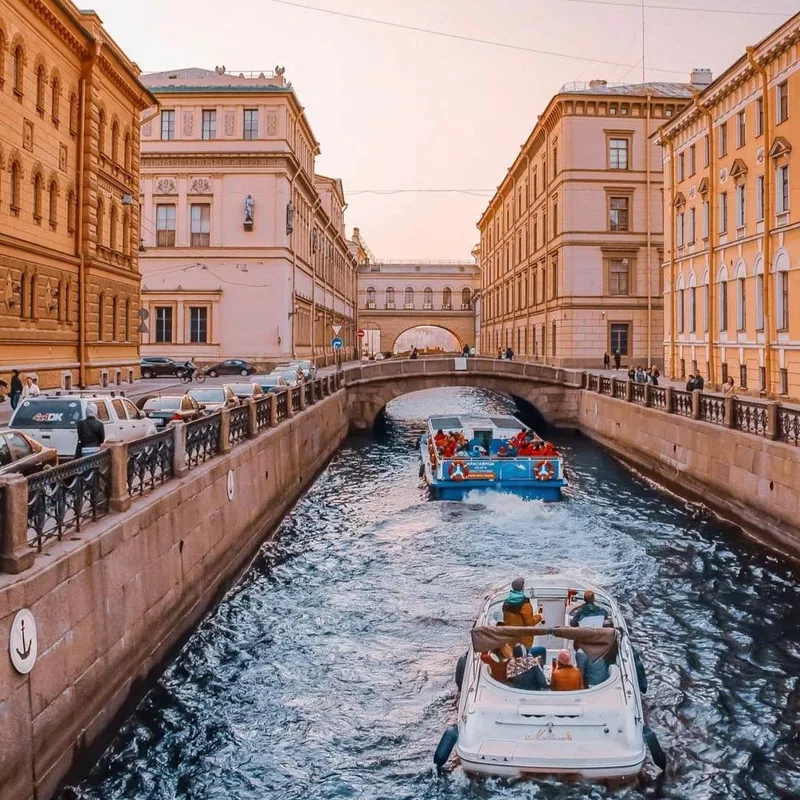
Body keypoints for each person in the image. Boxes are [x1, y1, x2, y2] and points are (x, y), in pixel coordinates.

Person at [502, 577, 543, 650]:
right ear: (522, 588)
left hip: (510, 639)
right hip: (523, 642)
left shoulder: (506, 602)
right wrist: (539, 616)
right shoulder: (525, 604)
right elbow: (530, 623)